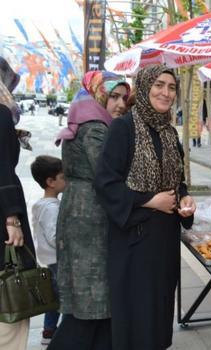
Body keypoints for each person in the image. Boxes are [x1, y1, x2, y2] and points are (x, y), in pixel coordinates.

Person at [95, 65, 195, 350]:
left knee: (160, 310)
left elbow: (178, 181)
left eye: (172, 87)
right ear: (145, 86)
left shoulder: (168, 132)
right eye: (159, 85)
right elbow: (105, 183)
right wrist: (150, 200)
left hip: (164, 240)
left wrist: (184, 200)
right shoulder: (123, 128)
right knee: (136, 314)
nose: (166, 92)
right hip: (133, 240)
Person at [49, 71, 130, 350]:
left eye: (124, 98)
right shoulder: (96, 126)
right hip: (90, 218)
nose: (120, 104)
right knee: (90, 303)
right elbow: (107, 172)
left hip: (80, 211)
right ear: (99, 93)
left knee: (91, 302)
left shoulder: (85, 117)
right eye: (114, 96)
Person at [0, 56, 35, 350]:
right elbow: (2, 166)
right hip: (3, 218)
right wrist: (12, 218)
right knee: (10, 302)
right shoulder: (1, 113)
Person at [30, 155, 66, 345]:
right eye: (63, 176)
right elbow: (55, 237)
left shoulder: (41, 205)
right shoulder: (51, 208)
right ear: (50, 182)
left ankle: (48, 332)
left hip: (48, 260)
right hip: (56, 260)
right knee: (63, 297)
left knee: (53, 299)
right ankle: (58, 332)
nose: (66, 180)